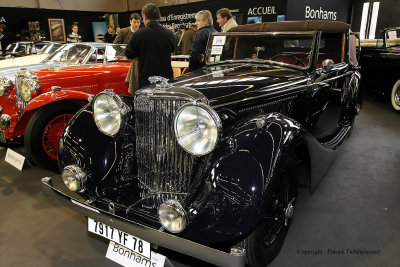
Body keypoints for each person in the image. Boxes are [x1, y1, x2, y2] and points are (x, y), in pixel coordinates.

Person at [125, 3, 175, 91]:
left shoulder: (138, 34)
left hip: (146, 81)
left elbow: (129, 55)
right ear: (159, 17)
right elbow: (172, 49)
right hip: (166, 80)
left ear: (144, 16)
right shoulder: (169, 33)